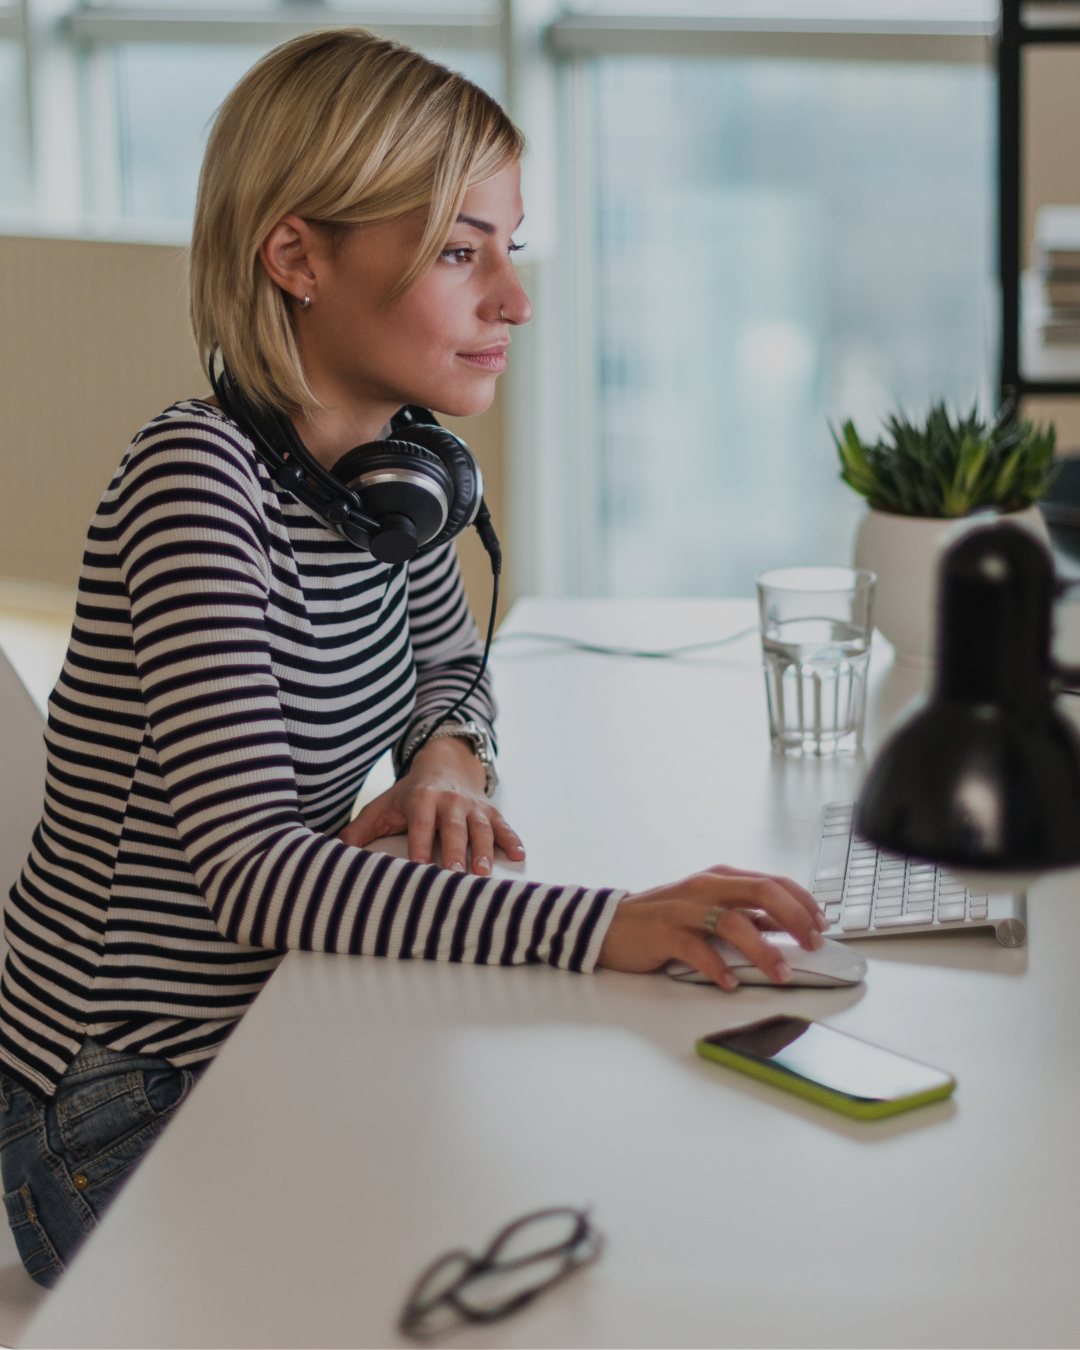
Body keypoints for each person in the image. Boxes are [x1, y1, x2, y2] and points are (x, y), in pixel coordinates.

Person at [0, 29, 828, 1287]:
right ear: (297, 257)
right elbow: (260, 881)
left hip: (271, 1027)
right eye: (459, 250)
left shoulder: (398, 476)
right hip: (117, 1104)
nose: (516, 297)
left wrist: (449, 762)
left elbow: (451, 670)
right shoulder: (198, 483)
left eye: (513, 244)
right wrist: (610, 924)